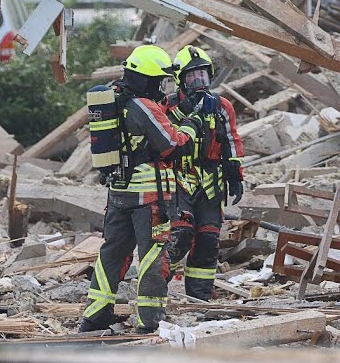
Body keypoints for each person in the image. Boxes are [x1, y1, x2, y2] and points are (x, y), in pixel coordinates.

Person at [79, 44, 192, 334]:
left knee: (111, 254)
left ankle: (94, 317)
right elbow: (171, 145)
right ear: (148, 79)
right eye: (159, 81)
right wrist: (191, 128)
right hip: (149, 199)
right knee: (153, 256)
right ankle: (150, 322)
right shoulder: (143, 105)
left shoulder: (114, 99)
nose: (161, 87)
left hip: (118, 195)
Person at [163, 45, 245, 301]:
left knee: (208, 239)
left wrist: (236, 174)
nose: (199, 82)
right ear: (180, 80)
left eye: (203, 76)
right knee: (180, 235)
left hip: (211, 181)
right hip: (178, 178)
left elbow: (232, 140)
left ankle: (199, 299)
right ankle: (154, 287)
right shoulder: (168, 106)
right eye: (192, 77)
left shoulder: (221, 106)